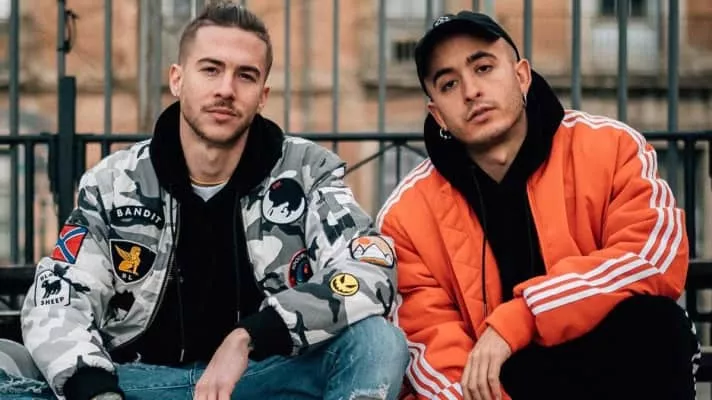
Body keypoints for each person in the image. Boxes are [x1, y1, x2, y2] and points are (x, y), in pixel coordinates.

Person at [0, 2, 408, 399]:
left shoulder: (306, 171)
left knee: (377, 342)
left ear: (262, 95)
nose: (226, 89)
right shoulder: (113, 182)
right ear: (177, 79)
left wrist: (250, 335)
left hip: (264, 379)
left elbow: (370, 269)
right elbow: (58, 296)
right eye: (211, 69)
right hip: (138, 384)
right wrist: (97, 391)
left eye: (245, 75)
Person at [377, 11, 701, 400]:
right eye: (449, 84)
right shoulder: (406, 215)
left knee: (658, 324)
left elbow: (651, 256)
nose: (471, 91)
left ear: (522, 76)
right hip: (503, 387)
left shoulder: (611, 147)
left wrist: (523, 316)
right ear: (437, 114)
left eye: (483, 67)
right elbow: (428, 345)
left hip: (607, 363)